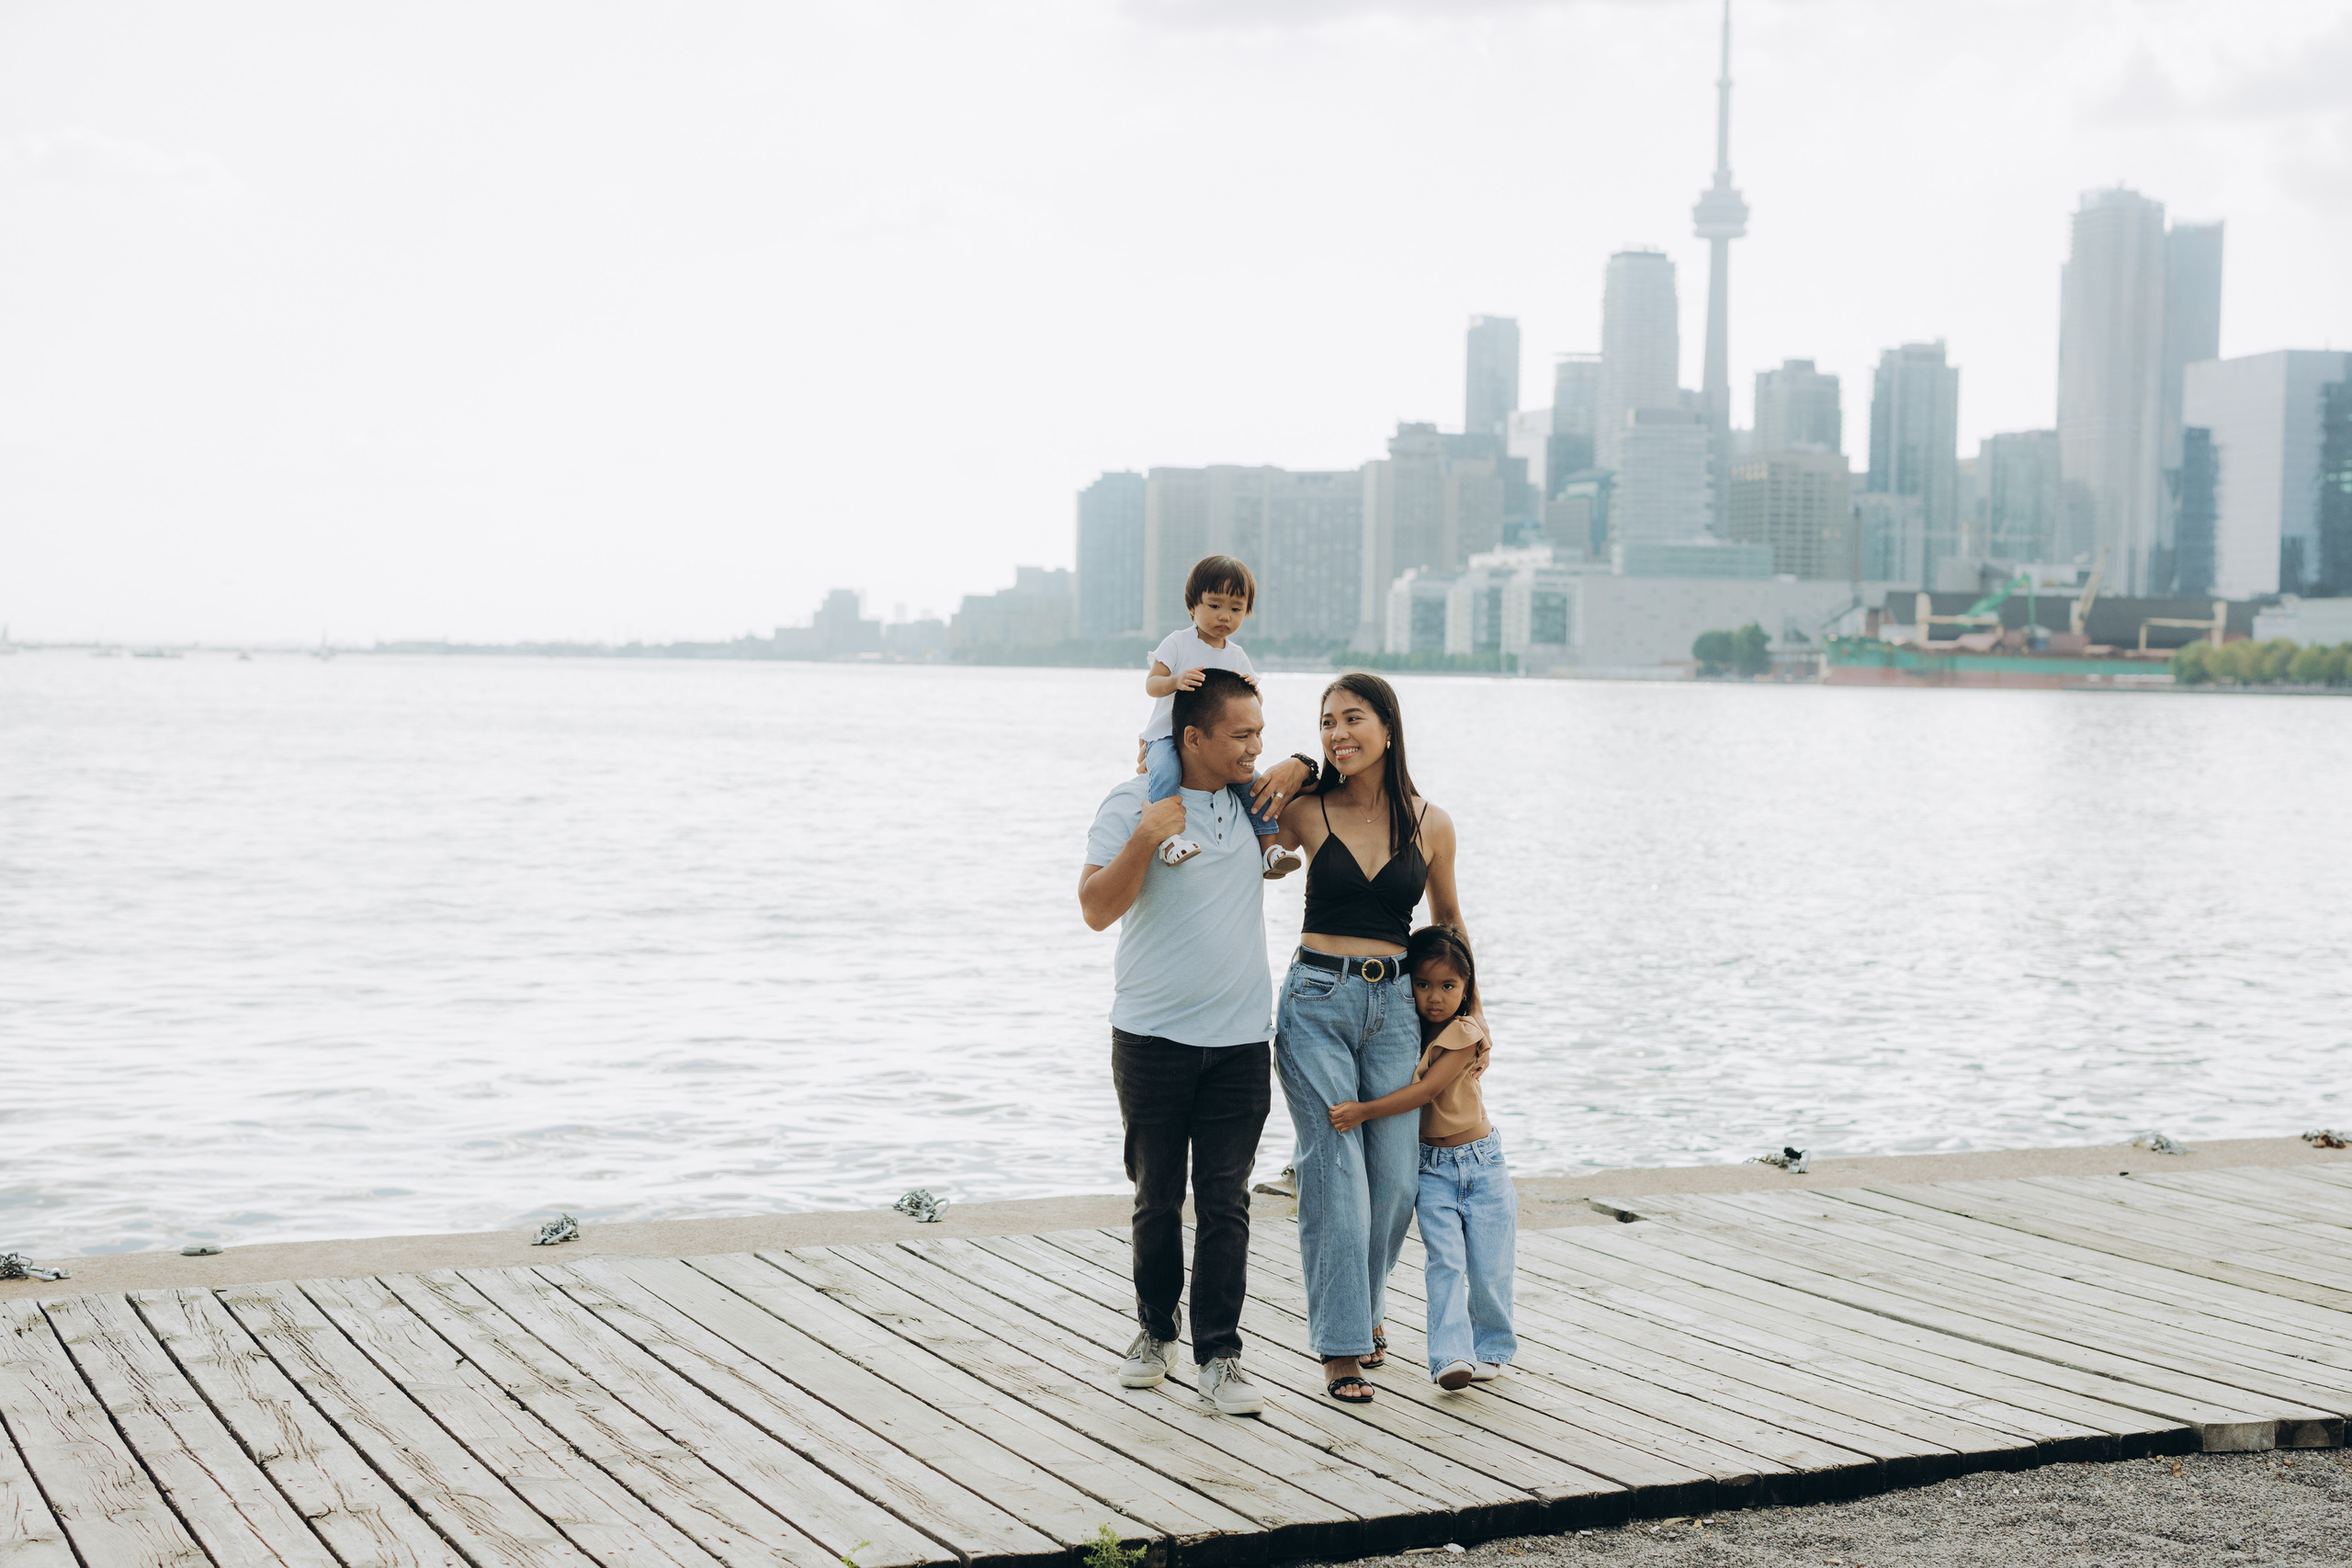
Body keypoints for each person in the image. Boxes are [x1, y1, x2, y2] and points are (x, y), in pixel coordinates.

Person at [1079, 667, 1320, 1416]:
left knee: (1226, 1201)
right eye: (1241, 734)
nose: (1255, 746)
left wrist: (1300, 764)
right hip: (1150, 1038)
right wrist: (1147, 841)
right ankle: (1155, 1332)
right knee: (1158, 1198)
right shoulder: (1134, 801)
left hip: (1242, 1041)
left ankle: (1221, 1353)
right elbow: (1094, 908)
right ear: (1192, 737)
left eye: (1260, 733)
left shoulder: (1257, 801)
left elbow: (1339, 768)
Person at [1272, 671, 1471, 1404]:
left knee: (1395, 1182)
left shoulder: (1431, 822)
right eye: (1326, 722)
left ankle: (1365, 1307)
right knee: (1335, 1174)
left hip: (1396, 1007)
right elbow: (1234, 819)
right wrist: (1292, 760)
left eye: (1351, 719)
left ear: (1387, 726)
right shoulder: (1305, 808)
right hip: (1316, 1000)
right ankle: (1342, 1347)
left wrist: (1470, 1023)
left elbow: (1448, 927)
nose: (1337, 734)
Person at [1327, 923, 1515, 1391]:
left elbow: (1426, 1091)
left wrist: (1363, 1112)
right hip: (1431, 1168)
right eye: (1424, 984)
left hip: (1482, 1166)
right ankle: (1450, 1356)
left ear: (1466, 987)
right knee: (1445, 1262)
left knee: (1490, 1266)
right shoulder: (1404, 1031)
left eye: (1448, 986)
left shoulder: (1467, 1032)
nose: (1435, 996)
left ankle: (1490, 1348)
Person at [1137, 555, 1302, 879]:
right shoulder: (1178, 642)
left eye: (1236, 608)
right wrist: (1175, 681)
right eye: (1214, 606)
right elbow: (1152, 684)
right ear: (1192, 606)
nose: (1224, 616)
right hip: (1166, 736)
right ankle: (1169, 839)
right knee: (1166, 773)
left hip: (1215, 745)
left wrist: (1255, 690)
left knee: (1253, 786)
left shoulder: (1236, 655)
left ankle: (1269, 848)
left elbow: (1254, 704)